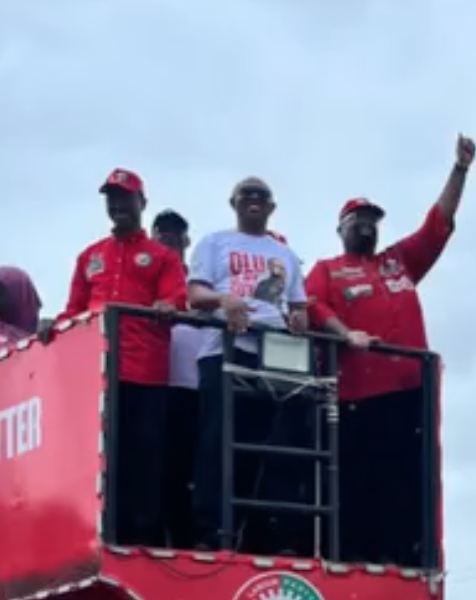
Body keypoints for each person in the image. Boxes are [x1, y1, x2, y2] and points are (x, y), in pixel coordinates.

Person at [305, 135, 475, 568]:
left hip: (409, 393)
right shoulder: (328, 269)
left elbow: (437, 225)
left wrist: (460, 169)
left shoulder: (397, 262)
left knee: (406, 477)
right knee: (362, 476)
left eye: (372, 220)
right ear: (340, 227)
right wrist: (346, 333)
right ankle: (360, 554)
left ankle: (406, 553)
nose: (366, 225)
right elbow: (310, 306)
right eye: (357, 219)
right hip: (357, 396)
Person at [41, 169, 187, 546]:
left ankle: (145, 543)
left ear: (142, 203)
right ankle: (102, 536)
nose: (118, 205)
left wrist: (165, 305)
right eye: (111, 199)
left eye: (125, 198)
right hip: (97, 376)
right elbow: (73, 310)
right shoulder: (90, 256)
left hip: (146, 374)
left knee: (145, 459)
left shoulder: (162, 257)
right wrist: (49, 327)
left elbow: (176, 299)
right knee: (101, 460)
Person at [188, 178, 311, 557]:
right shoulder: (214, 242)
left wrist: (299, 320)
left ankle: (260, 533)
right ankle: (211, 530)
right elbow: (194, 295)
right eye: (247, 196)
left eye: (261, 196)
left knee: (268, 446)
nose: (254, 201)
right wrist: (226, 300)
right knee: (217, 443)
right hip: (224, 348)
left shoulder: (285, 254)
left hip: (272, 353)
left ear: (272, 206)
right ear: (234, 203)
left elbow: (299, 305)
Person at [152, 209, 204, 548]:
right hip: (154, 383)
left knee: (193, 466)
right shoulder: (145, 274)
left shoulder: (198, 280)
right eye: (163, 236)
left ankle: (190, 536)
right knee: (157, 463)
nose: (170, 242)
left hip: (195, 384)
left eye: (176, 236)